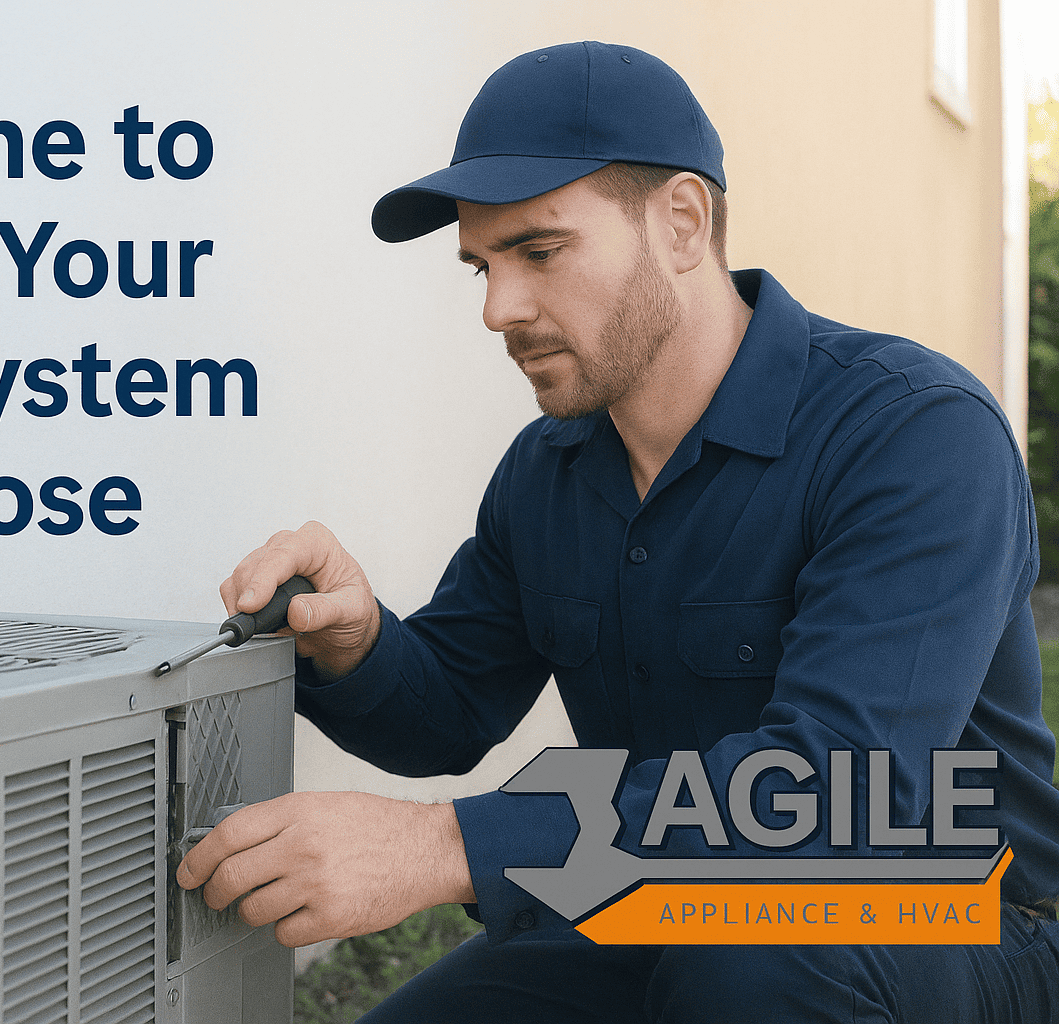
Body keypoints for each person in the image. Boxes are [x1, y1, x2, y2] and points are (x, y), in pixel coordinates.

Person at [176, 40, 1059, 1021]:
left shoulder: (913, 435)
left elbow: (838, 790)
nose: (498, 309)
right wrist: (358, 643)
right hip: (660, 907)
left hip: (941, 919)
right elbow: (452, 709)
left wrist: (443, 847)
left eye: (539, 252)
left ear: (682, 220)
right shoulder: (549, 473)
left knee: (753, 965)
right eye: (481, 266)